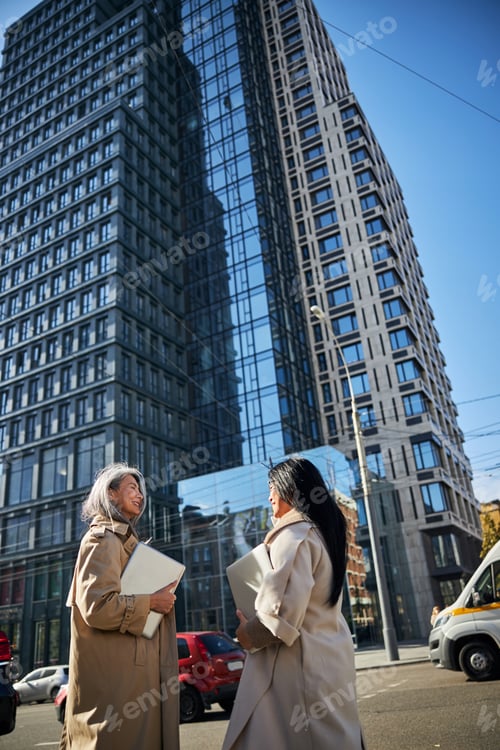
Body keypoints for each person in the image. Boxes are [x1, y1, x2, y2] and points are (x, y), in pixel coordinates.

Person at [222, 457, 365, 750]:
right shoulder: (322, 533)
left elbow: (280, 619)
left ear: (287, 491)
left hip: (298, 667)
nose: (269, 497)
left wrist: (246, 633)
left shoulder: (293, 535)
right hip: (328, 660)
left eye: (271, 488)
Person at [59, 463, 180, 750]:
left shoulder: (124, 541)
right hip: (117, 681)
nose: (139, 495)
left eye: (140, 489)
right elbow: (97, 607)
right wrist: (152, 601)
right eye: (131, 488)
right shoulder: (102, 539)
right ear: (110, 494)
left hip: (130, 674)